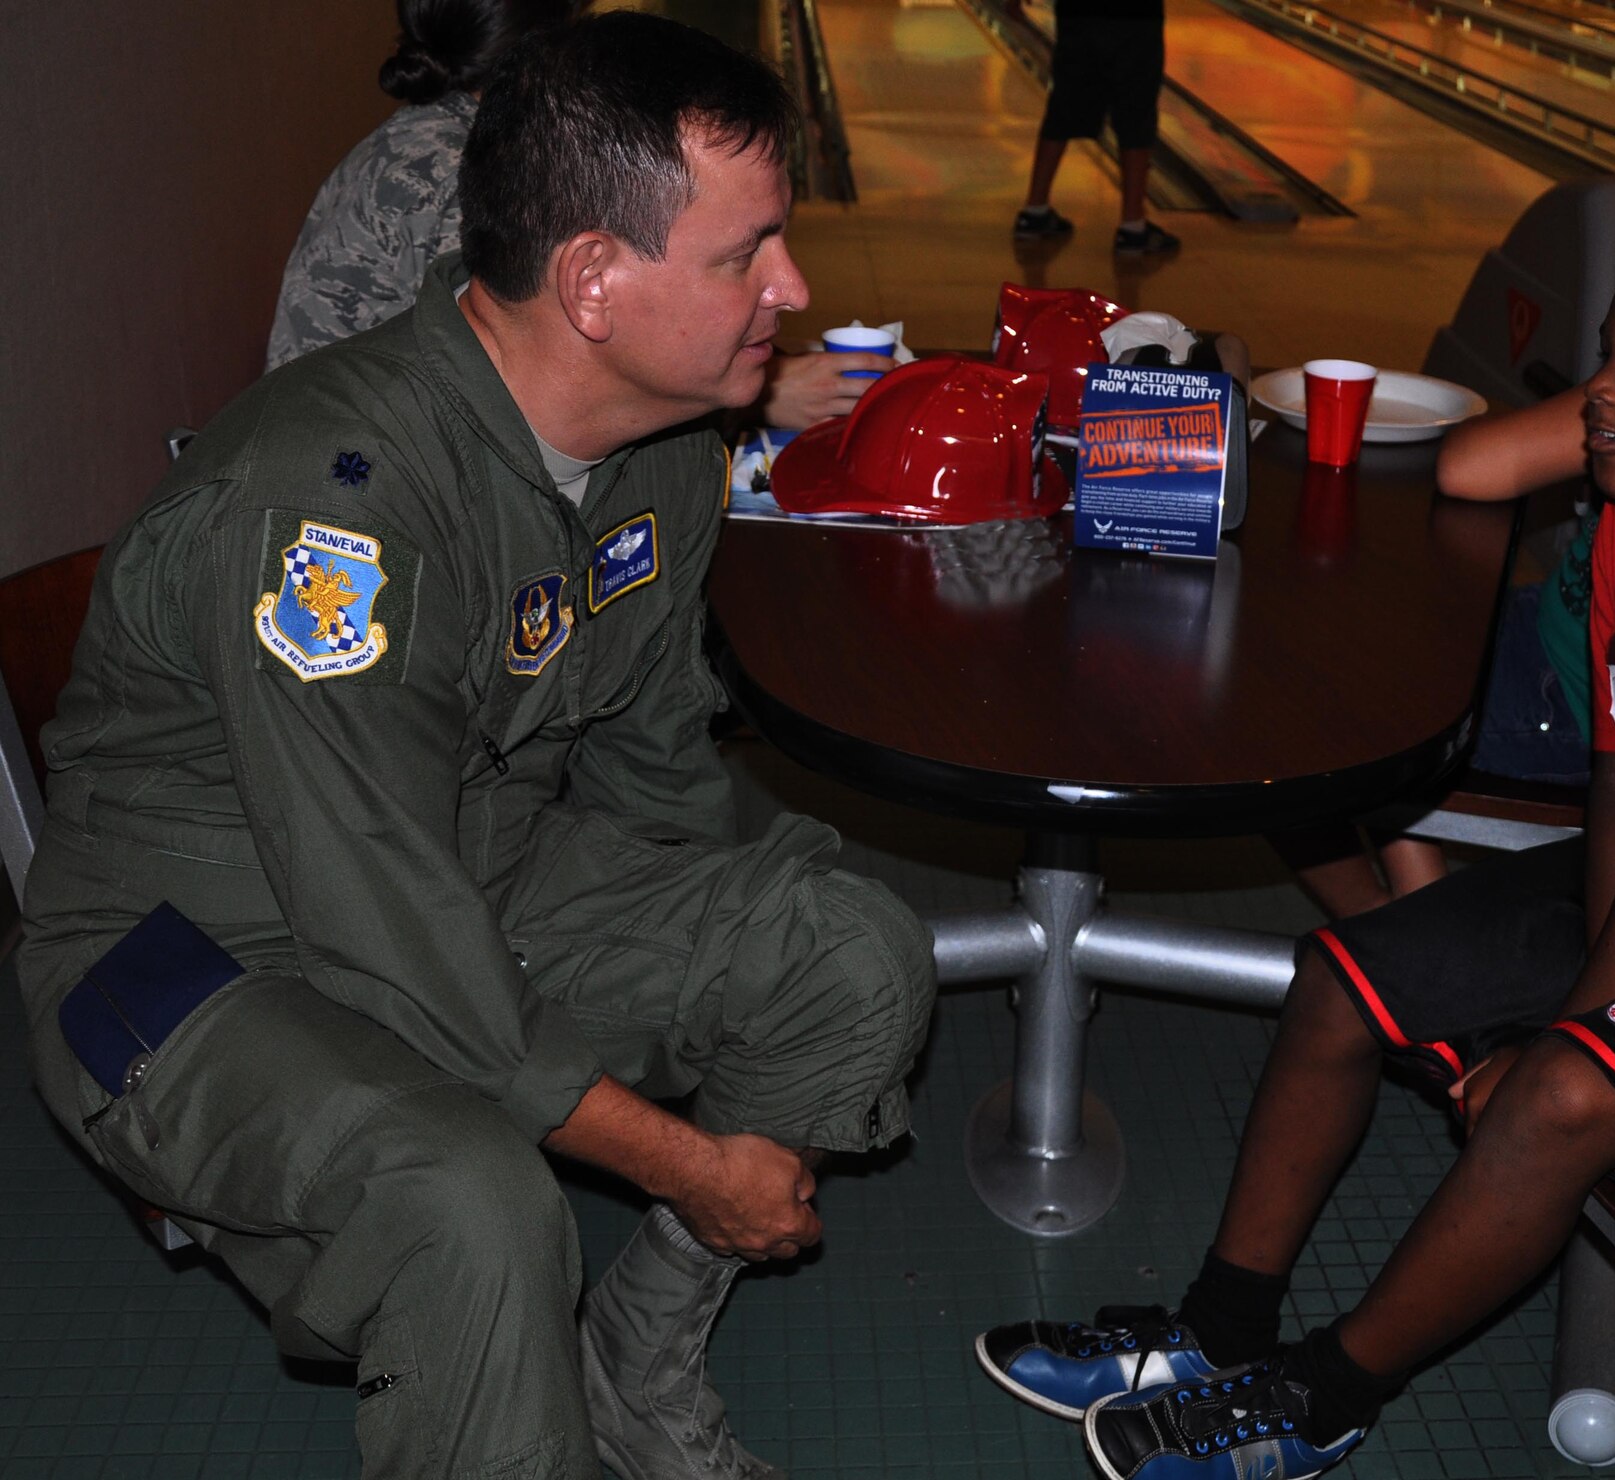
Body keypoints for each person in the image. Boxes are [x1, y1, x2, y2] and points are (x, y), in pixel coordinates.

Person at [19, 16, 935, 1480]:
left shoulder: (662, 451)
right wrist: (695, 1168)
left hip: (457, 861)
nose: (795, 290)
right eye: (745, 254)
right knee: (474, 1201)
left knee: (848, 949)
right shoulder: (332, 515)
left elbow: (651, 772)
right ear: (592, 282)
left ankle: (632, 1372)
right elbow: (384, 923)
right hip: (191, 954)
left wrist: (735, 951)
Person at [974, 230, 1615, 1479]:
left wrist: (1570, 1032)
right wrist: (1590, 1005)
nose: (1602, 391)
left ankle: (1320, 1399)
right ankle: (1213, 1330)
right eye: (1607, 353)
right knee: (1345, 978)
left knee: (1561, 1089)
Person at [1284, 155, 1615, 927]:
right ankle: (1405, 934)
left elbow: (1471, 466)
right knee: (1336, 635)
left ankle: (1399, 932)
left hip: (1566, 702)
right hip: (1562, 647)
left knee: (1301, 705)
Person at [266, 0, 882, 425]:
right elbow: (535, 384)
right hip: (357, 478)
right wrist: (760, 398)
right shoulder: (462, 170)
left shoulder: (441, 134)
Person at [1008, 0, 1181, 256]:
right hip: (1135, 18)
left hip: (1078, 15)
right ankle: (1133, 227)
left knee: (1062, 107)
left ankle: (1034, 211)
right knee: (1136, 112)